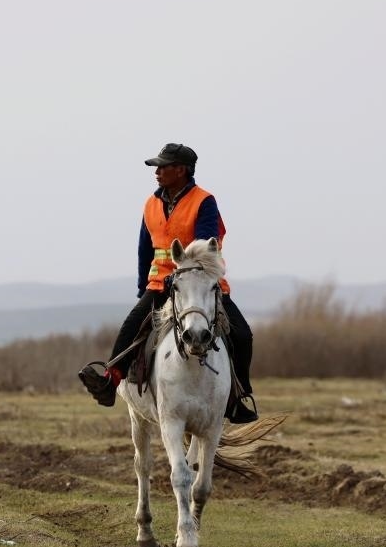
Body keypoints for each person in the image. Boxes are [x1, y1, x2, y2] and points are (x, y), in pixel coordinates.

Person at [78, 143, 258, 423]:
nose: (157, 172)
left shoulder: (204, 201)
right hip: (160, 283)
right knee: (132, 326)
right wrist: (143, 287)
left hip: (200, 284)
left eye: (163, 167)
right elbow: (144, 250)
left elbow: (205, 246)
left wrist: (185, 274)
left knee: (243, 336)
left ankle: (237, 397)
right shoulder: (151, 204)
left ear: (181, 170)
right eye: (157, 167)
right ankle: (110, 381)